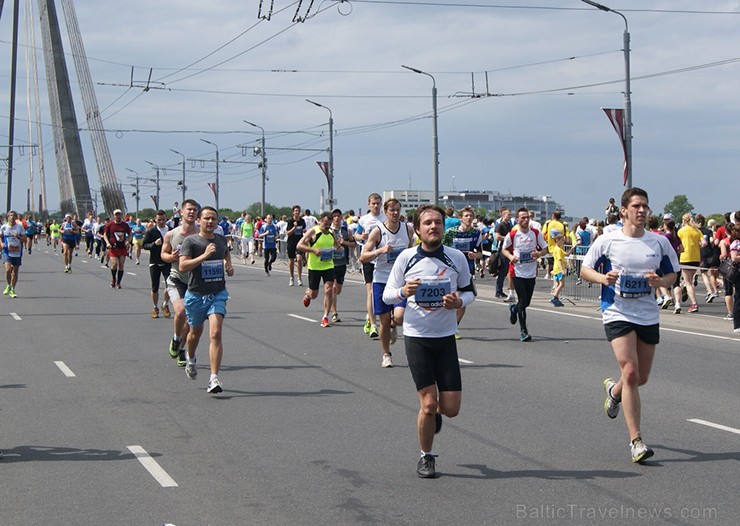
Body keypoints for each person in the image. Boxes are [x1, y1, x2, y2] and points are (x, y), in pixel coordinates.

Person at [581, 187, 679, 463]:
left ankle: (614, 391)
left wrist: (661, 282)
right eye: (636, 206)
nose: (641, 211)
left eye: (645, 206)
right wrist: (603, 280)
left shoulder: (658, 243)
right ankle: (636, 441)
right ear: (623, 210)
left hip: (647, 313)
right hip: (617, 311)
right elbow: (585, 268)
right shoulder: (608, 240)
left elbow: (673, 273)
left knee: (641, 378)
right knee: (632, 371)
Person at [383, 204, 475, 478]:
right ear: (419, 229)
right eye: (427, 223)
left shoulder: (456, 258)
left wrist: (459, 301)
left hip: (446, 338)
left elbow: (470, 292)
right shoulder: (407, 258)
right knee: (428, 404)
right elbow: (387, 295)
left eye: (438, 222)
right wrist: (402, 291)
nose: (433, 227)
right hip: (417, 338)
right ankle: (426, 456)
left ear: (443, 226)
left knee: (451, 409)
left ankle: (433, 415)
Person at [179, 206, 234, 394]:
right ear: (199, 221)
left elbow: (225, 253)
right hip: (196, 295)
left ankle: (214, 378)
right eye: (206, 218)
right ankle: (191, 357)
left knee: (215, 333)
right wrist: (204, 256)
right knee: (194, 333)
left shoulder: (220, 240)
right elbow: (183, 265)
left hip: (217, 293)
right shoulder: (191, 241)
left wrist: (229, 265)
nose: (210, 222)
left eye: (213, 219)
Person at [360, 198, 415, 367]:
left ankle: (394, 324)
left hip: (400, 281)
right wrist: (381, 250)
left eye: (398, 210)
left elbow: (411, 249)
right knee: (383, 320)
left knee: (399, 317)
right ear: (385, 212)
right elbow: (363, 257)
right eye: (392, 210)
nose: (395, 213)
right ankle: (386, 354)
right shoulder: (378, 231)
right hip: (381, 280)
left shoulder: (408, 229)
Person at [162, 199, 200, 367]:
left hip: (195, 282)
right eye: (189, 209)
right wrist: (171, 257)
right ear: (181, 212)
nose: (192, 212)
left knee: (191, 322)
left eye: (194, 210)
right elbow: (163, 253)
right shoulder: (171, 234)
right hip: (177, 278)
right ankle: (176, 339)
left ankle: (182, 350)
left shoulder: (201, 234)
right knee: (181, 311)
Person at [501, 207, 548, 342]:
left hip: (531, 272)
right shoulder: (513, 234)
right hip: (517, 271)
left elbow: (545, 249)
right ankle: (523, 331)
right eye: (523, 218)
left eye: (527, 217)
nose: (526, 220)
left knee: (526, 302)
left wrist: (538, 254)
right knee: (522, 300)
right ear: (517, 220)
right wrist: (511, 257)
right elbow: (504, 249)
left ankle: (514, 309)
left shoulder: (535, 233)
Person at [442, 206, 481, 338]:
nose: (469, 218)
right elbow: (441, 249)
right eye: (466, 216)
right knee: (453, 298)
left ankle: (454, 327)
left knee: (462, 302)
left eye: (471, 216)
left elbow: (481, 253)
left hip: (467, 270)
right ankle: (447, 326)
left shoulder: (476, 233)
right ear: (460, 218)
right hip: (451, 270)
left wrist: (474, 256)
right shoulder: (451, 233)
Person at [297, 212, 340, 328]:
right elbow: (299, 245)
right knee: (314, 294)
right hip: (314, 267)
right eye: (325, 224)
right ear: (320, 221)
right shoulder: (313, 231)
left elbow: (336, 244)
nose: (327, 227)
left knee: (329, 290)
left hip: (328, 266)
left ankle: (325, 316)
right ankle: (308, 295)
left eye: (329, 224)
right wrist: (313, 250)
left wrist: (339, 248)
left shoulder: (331, 232)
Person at [355, 193, 387, 338]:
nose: (376, 206)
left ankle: (379, 318)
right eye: (373, 203)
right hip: (368, 258)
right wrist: (360, 237)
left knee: (385, 292)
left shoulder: (385, 219)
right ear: (369, 204)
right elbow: (356, 234)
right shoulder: (364, 220)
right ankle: (373, 325)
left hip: (384, 260)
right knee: (371, 292)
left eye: (378, 203)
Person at [143, 210, 172, 319]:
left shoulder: (170, 230)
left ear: (166, 219)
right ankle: (155, 307)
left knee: (169, 285)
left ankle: (165, 304)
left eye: (163, 219)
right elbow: (145, 245)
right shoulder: (151, 231)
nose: (161, 222)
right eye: (159, 220)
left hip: (168, 261)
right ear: (155, 220)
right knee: (155, 287)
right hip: (154, 262)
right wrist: (154, 244)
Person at [329, 208, 356, 322]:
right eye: (334, 216)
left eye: (338, 216)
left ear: (341, 218)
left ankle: (330, 300)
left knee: (338, 289)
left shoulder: (346, 230)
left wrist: (344, 243)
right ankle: (334, 312)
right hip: (330, 263)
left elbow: (353, 244)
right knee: (334, 288)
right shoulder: (328, 231)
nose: (336, 218)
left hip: (342, 262)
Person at [676, 213, 702, 313]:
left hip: (685, 257)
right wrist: (697, 246)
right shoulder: (697, 231)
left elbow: (678, 244)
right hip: (696, 258)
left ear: (684, 221)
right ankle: (684, 288)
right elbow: (704, 243)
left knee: (689, 282)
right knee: (689, 280)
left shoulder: (681, 231)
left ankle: (694, 303)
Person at [104, 209, 132, 289]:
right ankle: (113, 279)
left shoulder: (125, 225)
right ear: (114, 216)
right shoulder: (111, 225)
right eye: (116, 215)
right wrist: (108, 243)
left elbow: (130, 233)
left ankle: (118, 283)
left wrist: (128, 241)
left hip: (122, 248)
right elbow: (105, 234)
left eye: (119, 214)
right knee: (114, 264)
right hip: (113, 248)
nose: (118, 216)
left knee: (121, 265)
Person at [1, 211, 26, 298]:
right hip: (7, 251)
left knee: (15, 272)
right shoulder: (4, 227)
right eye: (10, 216)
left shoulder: (19, 227)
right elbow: (0, 237)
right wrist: (1, 244)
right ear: (8, 217)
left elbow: (25, 239)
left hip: (17, 252)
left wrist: (18, 237)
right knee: (8, 270)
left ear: (16, 218)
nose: (12, 217)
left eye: (14, 216)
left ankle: (12, 289)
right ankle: (8, 285)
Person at [494, 207, 515, 301]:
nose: (509, 215)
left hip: (510, 250)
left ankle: (505, 290)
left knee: (507, 271)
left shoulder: (510, 225)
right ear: (502, 215)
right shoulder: (500, 225)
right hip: (503, 250)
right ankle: (498, 291)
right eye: (507, 214)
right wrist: (507, 238)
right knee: (502, 271)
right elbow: (497, 237)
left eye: (510, 214)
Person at [550, 234, 575, 307]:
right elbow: (559, 260)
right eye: (562, 240)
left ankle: (556, 298)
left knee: (558, 284)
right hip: (558, 269)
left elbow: (566, 254)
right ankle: (554, 297)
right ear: (557, 240)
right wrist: (562, 270)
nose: (563, 242)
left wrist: (572, 248)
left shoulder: (558, 249)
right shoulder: (558, 250)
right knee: (561, 284)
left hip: (556, 269)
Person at [286, 206, 306, 286]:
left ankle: (299, 277)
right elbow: (288, 233)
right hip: (291, 242)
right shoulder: (290, 221)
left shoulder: (302, 221)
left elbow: (304, 230)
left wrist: (304, 230)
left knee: (299, 258)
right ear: (293, 212)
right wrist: (294, 227)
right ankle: (291, 277)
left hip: (299, 242)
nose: (297, 212)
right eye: (296, 211)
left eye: (298, 211)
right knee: (291, 260)